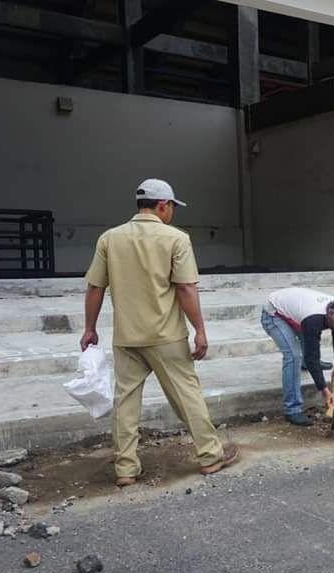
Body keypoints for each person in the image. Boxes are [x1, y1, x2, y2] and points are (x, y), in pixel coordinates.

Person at [80, 179, 239, 487]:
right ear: (163, 205)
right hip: (166, 336)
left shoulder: (109, 238)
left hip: (126, 337)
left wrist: (90, 328)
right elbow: (185, 288)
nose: (172, 214)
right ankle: (209, 456)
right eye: (171, 208)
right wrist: (200, 330)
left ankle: (125, 467)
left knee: (125, 402)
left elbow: (95, 287)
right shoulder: (176, 239)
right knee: (187, 395)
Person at [261, 288, 334, 426]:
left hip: (298, 311)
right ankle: (292, 410)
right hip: (273, 314)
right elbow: (312, 355)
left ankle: (307, 365)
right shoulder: (314, 319)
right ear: (331, 314)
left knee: (310, 347)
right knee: (293, 356)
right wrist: (325, 391)